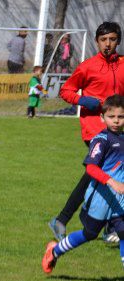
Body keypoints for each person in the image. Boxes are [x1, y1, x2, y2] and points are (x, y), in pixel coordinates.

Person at [48, 22, 124, 242]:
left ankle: (103, 223)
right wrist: (85, 100)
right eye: (103, 40)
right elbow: (66, 91)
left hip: (117, 127)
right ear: (97, 42)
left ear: (118, 40)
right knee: (99, 171)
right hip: (95, 129)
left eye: (111, 39)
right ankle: (74, 220)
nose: (107, 44)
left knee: (106, 174)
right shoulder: (87, 66)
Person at [42, 94, 124, 274]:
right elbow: (91, 168)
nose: (116, 121)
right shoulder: (101, 140)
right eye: (112, 117)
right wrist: (112, 182)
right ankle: (54, 251)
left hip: (120, 198)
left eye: (120, 116)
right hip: (101, 196)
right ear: (102, 118)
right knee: (90, 234)